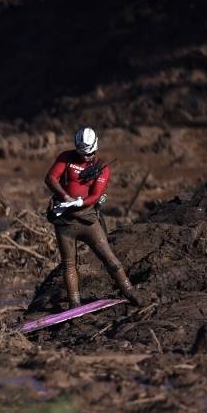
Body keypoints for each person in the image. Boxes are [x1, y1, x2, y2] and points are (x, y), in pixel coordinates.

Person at [44, 126, 143, 308]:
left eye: (89, 154)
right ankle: (75, 305)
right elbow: (51, 178)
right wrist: (65, 197)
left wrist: (80, 202)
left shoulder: (102, 169)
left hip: (89, 220)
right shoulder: (66, 158)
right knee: (69, 264)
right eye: (83, 154)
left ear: (96, 148)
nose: (86, 158)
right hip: (65, 221)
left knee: (109, 258)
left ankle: (130, 292)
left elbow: (96, 195)